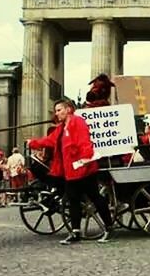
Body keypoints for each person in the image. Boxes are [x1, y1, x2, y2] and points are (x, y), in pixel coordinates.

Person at [27, 99, 114, 244]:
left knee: (95, 197)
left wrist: (84, 161)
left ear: (68, 109)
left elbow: (85, 143)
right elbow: (49, 141)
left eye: (59, 110)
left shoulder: (77, 122)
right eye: (55, 111)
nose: (57, 113)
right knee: (73, 200)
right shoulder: (61, 128)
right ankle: (75, 232)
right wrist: (33, 143)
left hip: (84, 169)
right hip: (70, 171)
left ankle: (109, 227)